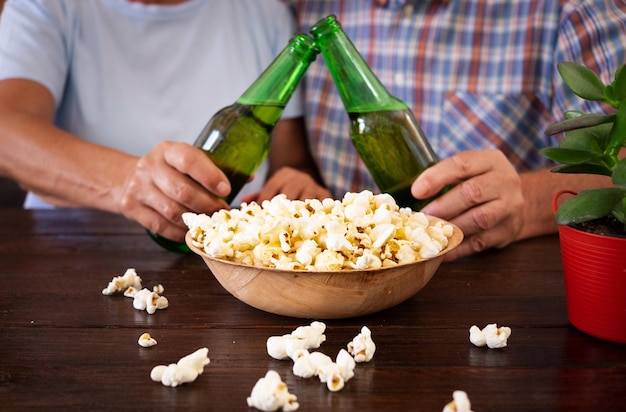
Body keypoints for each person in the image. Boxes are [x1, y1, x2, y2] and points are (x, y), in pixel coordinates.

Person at [256, 0, 626, 260]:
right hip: (338, 279)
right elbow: (298, 154)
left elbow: (618, 166)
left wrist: (524, 203)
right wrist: (300, 183)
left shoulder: (572, 9)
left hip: (487, 291)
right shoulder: (304, 9)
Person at [0, 0, 322, 244]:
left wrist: (295, 187)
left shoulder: (266, 13)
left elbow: (290, 162)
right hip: (71, 254)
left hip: (225, 264)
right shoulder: (47, 6)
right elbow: (7, 129)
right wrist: (126, 180)